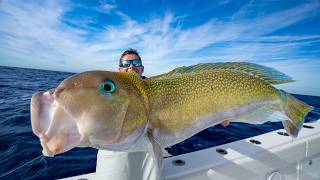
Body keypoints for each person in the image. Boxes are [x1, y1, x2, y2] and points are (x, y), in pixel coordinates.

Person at [96, 48, 229, 180]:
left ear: (142, 68)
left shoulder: (160, 90)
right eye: (125, 64)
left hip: (150, 157)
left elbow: (185, 108)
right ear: (119, 69)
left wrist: (217, 113)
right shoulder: (105, 93)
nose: (131, 66)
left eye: (136, 63)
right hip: (116, 157)